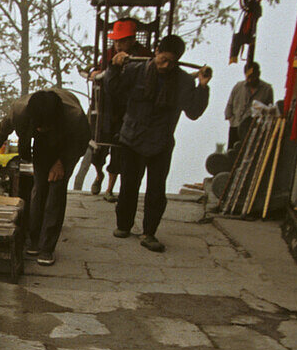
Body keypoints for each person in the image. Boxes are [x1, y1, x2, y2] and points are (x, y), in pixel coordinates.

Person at [104, 34, 211, 253]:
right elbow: (112, 90)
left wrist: (202, 86)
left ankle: (149, 233)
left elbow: (193, 112)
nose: (166, 65)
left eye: (172, 62)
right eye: (163, 59)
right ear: (156, 53)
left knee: (156, 190)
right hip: (132, 137)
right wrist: (114, 66)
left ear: (178, 60)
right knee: (129, 185)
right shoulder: (135, 70)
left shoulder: (183, 81)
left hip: (161, 142)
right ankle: (123, 225)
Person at [0, 89, 89, 266]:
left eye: (44, 126)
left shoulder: (75, 117)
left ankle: (47, 247)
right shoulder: (20, 110)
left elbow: (81, 142)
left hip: (67, 144)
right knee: (39, 186)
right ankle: (34, 239)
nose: (41, 128)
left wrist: (61, 162)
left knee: (56, 188)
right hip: (42, 143)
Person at [88, 19, 153, 201]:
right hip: (107, 107)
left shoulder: (143, 54)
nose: (118, 45)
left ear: (132, 40)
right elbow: (97, 70)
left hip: (129, 107)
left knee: (119, 149)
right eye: (116, 41)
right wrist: (96, 73)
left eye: (122, 41)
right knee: (98, 147)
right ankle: (99, 173)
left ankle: (109, 188)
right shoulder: (109, 54)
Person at [225, 61, 274, 148]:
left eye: (253, 77)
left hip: (255, 132)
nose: (250, 80)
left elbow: (270, 112)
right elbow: (229, 107)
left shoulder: (267, 89)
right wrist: (233, 121)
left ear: (258, 74)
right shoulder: (238, 87)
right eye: (248, 77)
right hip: (235, 128)